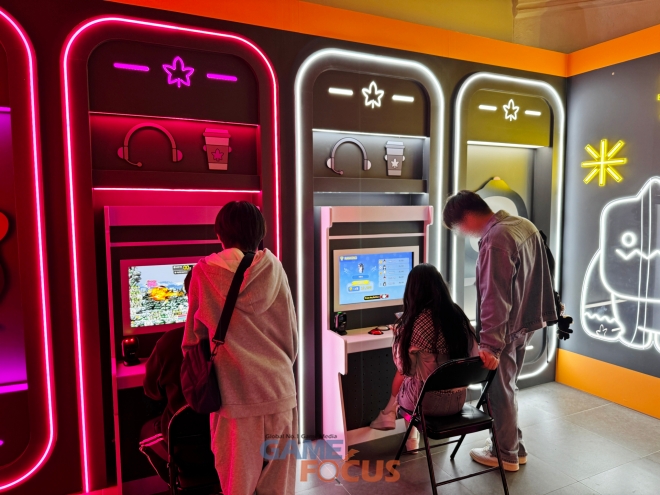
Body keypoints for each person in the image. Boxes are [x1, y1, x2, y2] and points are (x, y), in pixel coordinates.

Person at [183, 201, 298, 495]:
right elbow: (291, 338)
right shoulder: (275, 268)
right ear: (260, 233)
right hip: (279, 392)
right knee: (280, 487)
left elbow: (192, 342)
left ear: (220, 234)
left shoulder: (203, 273)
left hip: (234, 398)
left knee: (237, 487)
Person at [442, 190, 557, 472]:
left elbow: (495, 297)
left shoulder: (496, 240)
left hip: (504, 331)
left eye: (459, 228)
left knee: (499, 393)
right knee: (508, 387)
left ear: (467, 217)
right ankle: (514, 446)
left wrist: (490, 346)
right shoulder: (522, 225)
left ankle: (505, 454)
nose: (463, 234)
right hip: (527, 322)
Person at [370, 263, 478, 451]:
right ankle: (391, 416)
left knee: (406, 381)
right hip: (458, 401)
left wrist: (400, 338)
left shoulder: (415, 323)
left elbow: (404, 368)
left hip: (427, 404)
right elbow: (474, 355)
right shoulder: (458, 316)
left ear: (412, 291)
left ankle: (406, 432)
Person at [139, 270, 193, 481]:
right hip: (227, 442)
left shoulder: (169, 342)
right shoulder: (233, 337)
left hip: (184, 446)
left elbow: (152, 391)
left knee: (146, 433)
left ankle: (178, 482)